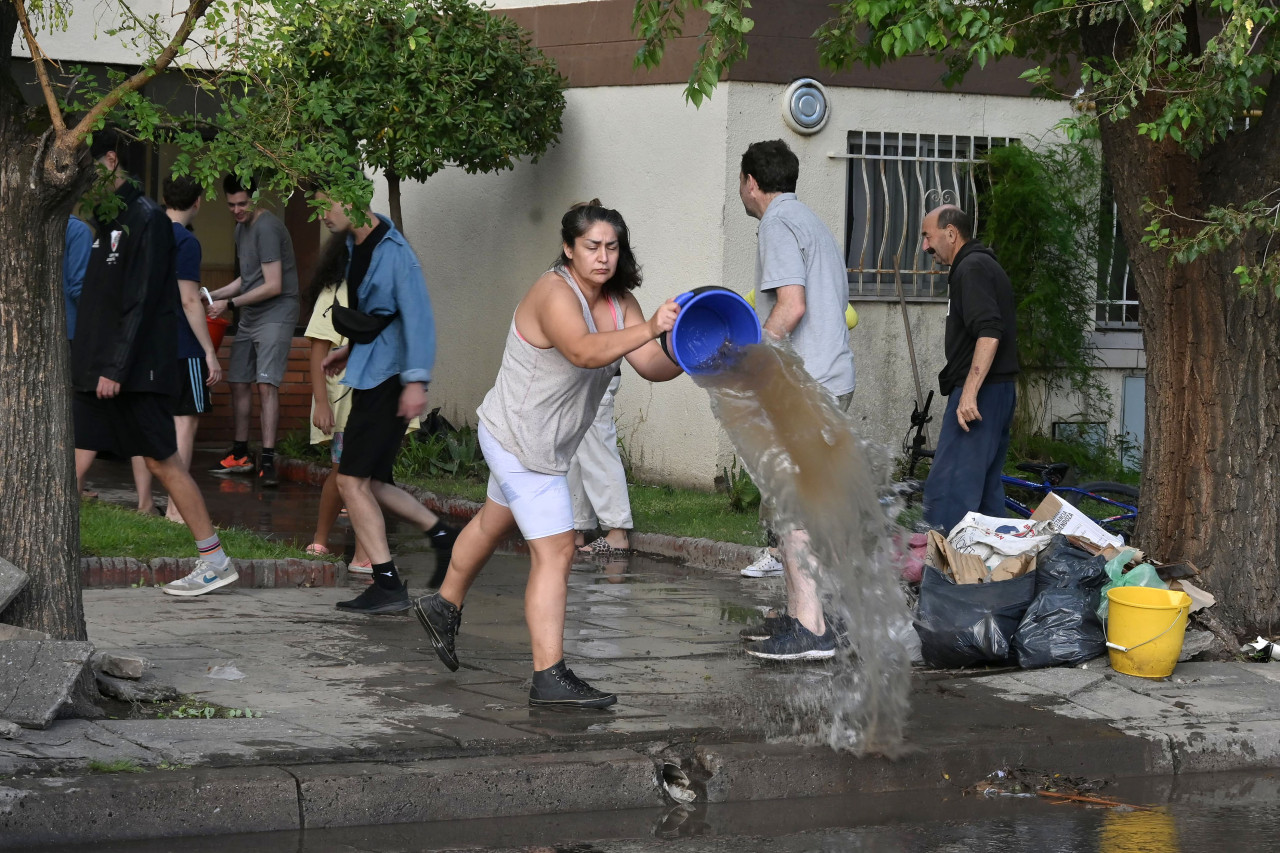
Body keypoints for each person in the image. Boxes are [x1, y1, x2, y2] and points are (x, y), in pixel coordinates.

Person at [413, 200, 682, 709]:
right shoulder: (553, 292)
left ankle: (442, 604)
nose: (603, 257)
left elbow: (649, 364)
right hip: (520, 440)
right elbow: (583, 350)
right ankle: (548, 677)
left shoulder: (618, 300)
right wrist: (652, 327)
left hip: (543, 441)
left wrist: (690, 349)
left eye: (612, 247)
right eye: (592, 247)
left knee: (494, 522)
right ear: (568, 248)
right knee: (557, 549)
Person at [71, 129, 237, 596]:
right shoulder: (106, 217)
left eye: (79, 166)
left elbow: (143, 303)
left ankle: (215, 559)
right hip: (97, 368)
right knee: (71, 455)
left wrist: (116, 369)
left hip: (134, 374)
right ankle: (44, 553)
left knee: (164, 463)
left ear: (108, 160)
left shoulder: (147, 220)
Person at [735, 139, 857, 662]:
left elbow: (792, 306)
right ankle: (798, 615)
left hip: (808, 384)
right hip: (829, 378)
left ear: (751, 183)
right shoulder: (809, 220)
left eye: (740, 183)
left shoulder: (776, 223)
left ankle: (811, 629)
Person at [313, 189, 458, 611]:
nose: (321, 216)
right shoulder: (354, 244)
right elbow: (380, 316)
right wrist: (348, 350)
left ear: (354, 200)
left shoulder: (395, 254)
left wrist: (416, 383)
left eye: (326, 204)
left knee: (350, 480)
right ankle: (442, 534)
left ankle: (388, 584)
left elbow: (419, 319)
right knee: (372, 481)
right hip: (373, 370)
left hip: (391, 378)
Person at [920, 204, 1020, 534]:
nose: (925, 247)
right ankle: (998, 572)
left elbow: (990, 331)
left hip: (981, 394)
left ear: (951, 233)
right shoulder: (977, 265)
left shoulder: (972, 268)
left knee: (951, 489)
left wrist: (970, 395)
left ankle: (943, 575)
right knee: (987, 494)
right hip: (996, 392)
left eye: (927, 236)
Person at [133, 175, 223, 525]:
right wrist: (209, 352)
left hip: (144, 343)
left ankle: (143, 504)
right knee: (183, 421)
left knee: (144, 423)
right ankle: (174, 508)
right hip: (180, 345)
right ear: (198, 201)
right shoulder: (186, 241)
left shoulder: (144, 233)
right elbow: (188, 299)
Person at [206, 174, 300, 486]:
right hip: (250, 313)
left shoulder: (268, 227)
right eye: (231, 204)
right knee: (238, 381)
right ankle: (240, 453)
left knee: (265, 384)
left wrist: (229, 305)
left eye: (242, 203)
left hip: (277, 311)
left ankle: (269, 458)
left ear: (256, 199)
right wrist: (211, 295)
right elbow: (247, 279)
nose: (236, 209)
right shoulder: (240, 229)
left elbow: (274, 285)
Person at [568, 369, 633, 556]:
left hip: (594, 373)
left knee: (598, 451)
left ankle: (617, 532)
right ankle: (577, 528)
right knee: (575, 453)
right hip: (577, 374)